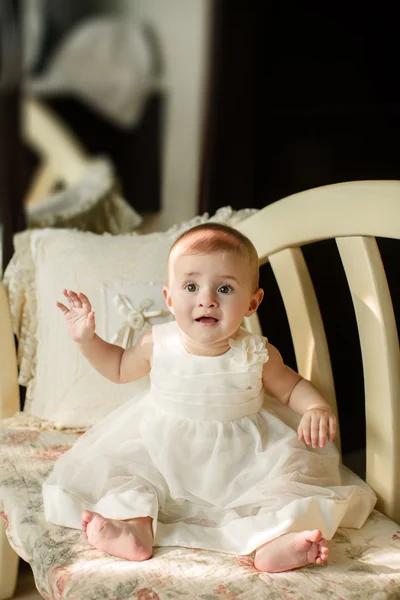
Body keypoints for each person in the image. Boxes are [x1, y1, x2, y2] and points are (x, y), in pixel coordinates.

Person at [43, 223, 376, 573]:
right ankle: (135, 528)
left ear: (252, 302)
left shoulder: (255, 352)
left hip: (244, 458)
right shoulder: (158, 343)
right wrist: (86, 339)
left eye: (225, 288)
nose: (207, 298)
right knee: (130, 474)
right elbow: (118, 367)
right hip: (163, 450)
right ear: (170, 299)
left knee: (287, 482)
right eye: (191, 286)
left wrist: (315, 407)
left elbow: (291, 388)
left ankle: (274, 543)